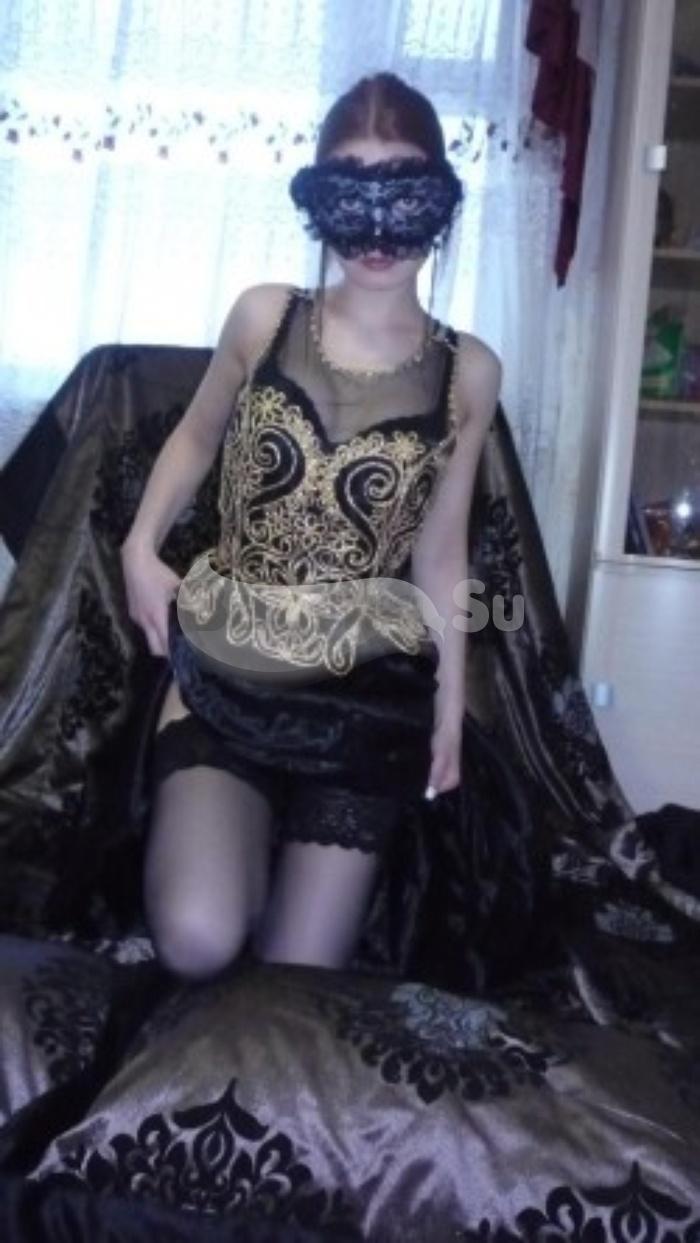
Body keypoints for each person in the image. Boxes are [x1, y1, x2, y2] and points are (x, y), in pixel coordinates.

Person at [119, 72, 501, 981]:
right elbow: (197, 434)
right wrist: (139, 545)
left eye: (402, 191)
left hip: (361, 699)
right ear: (318, 198)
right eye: (350, 190)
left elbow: (441, 550)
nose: (377, 228)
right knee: (199, 935)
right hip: (226, 670)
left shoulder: (470, 372)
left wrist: (451, 707)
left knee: (293, 981)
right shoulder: (264, 315)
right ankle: (231, 847)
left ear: (441, 199)